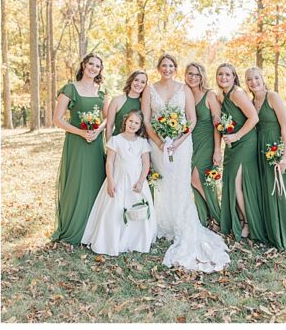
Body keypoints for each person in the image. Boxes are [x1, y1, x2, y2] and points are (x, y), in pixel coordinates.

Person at [143, 53, 229, 272]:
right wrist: (160, 143)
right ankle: (163, 222)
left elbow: (191, 120)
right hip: (157, 143)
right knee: (162, 182)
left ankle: (184, 222)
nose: (167, 69)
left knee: (181, 182)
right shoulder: (149, 89)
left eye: (171, 66)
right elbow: (146, 119)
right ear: (159, 68)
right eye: (164, 65)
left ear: (175, 68)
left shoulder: (184, 90)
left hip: (181, 145)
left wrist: (177, 142)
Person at [246, 67, 286, 250]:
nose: (253, 82)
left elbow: (285, 127)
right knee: (269, 190)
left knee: (283, 190)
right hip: (261, 151)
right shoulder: (251, 102)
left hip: (278, 146)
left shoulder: (272, 97)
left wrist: (285, 156)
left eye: (256, 78)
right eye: (249, 79)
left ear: (262, 78)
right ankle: (274, 234)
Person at [51, 53, 110, 245]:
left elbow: (107, 118)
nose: (93, 68)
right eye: (91, 64)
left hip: (95, 143)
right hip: (77, 142)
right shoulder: (70, 88)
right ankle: (74, 226)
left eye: (97, 66)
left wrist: (98, 130)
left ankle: (93, 229)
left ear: (100, 70)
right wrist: (81, 132)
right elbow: (57, 119)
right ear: (84, 65)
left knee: (95, 180)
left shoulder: (102, 91)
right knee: (76, 182)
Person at [82, 109, 157, 255]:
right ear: (125, 121)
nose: (133, 125)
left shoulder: (142, 143)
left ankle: (135, 240)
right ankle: (113, 240)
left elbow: (146, 164)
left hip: (136, 181)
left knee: (137, 209)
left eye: (136, 123)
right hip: (118, 179)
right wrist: (110, 182)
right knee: (115, 209)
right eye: (131, 121)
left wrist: (141, 182)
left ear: (140, 126)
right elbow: (109, 162)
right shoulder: (116, 140)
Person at [215, 63, 265, 242]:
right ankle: (239, 219)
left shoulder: (237, 93)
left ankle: (249, 223)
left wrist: (236, 136)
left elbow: (254, 118)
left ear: (234, 77)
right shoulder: (221, 96)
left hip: (245, 142)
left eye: (228, 74)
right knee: (230, 182)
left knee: (237, 184)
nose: (224, 77)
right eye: (220, 74)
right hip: (232, 144)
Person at [186, 62, 223, 228]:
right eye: (190, 74)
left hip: (207, 143)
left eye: (197, 74)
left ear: (202, 77)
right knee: (193, 181)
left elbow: (217, 125)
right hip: (190, 144)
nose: (193, 77)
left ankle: (218, 217)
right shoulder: (185, 94)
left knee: (198, 179)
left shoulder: (209, 95)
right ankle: (205, 218)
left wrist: (217, 150)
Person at [103, 70, 148, 138]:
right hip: (117, 142)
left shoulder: (145, 104)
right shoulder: (116, 100)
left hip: (138, 142)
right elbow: (109, 125)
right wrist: (109, 143)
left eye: (143, 82)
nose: (139, 84)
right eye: (136, 80)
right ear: (131, 81)